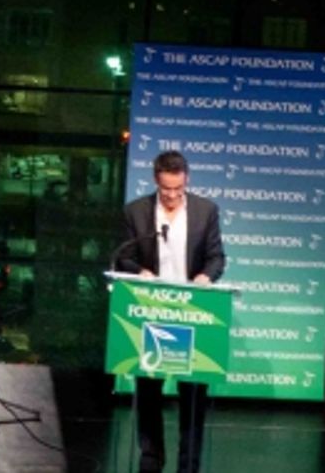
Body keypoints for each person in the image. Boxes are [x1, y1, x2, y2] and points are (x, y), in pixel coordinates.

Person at [119, 150, 226, 473]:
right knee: (148, 388)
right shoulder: (136, 212)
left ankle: (188, 465)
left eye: (178, 190)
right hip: (151, 309)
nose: (171, 196)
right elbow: (124, 256)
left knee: (192, 395)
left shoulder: (206, 211)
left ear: (186, 180)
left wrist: (206, 276)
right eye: (166, 190)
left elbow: (217, 256)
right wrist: (139, 271)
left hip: (191, 311)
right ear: (156, 180)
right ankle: (151, 460)